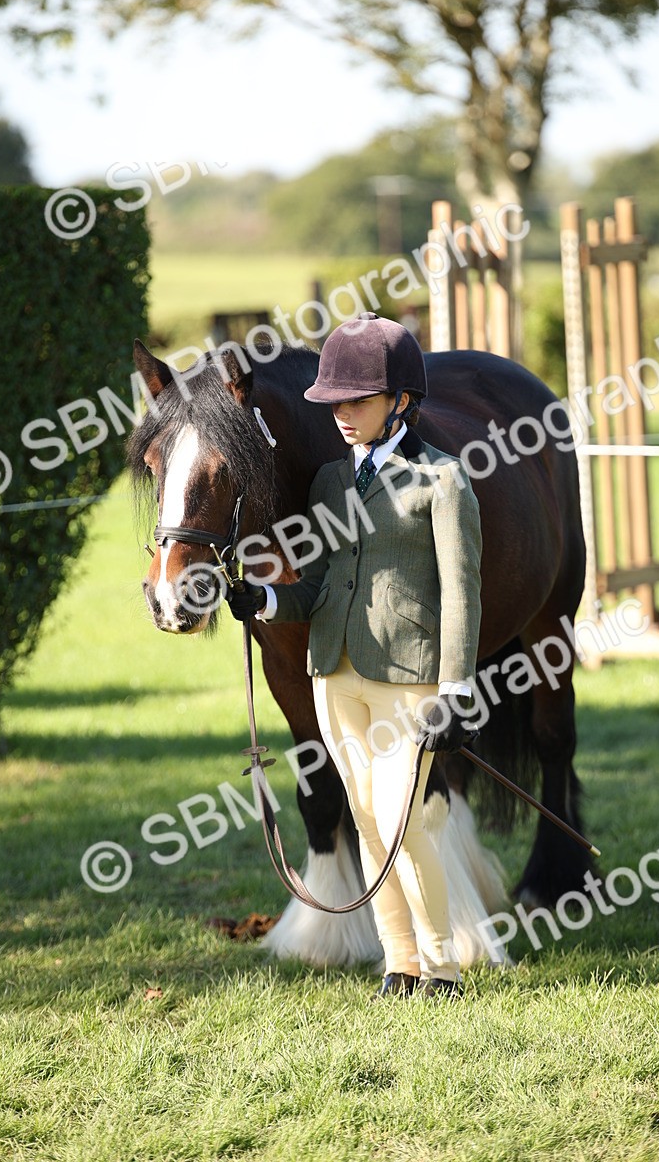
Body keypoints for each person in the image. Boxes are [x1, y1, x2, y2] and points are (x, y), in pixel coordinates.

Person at [226, 312, 482, 1000]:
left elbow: (462, 594)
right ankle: (398, 963)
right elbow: (314, 587)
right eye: (334, 402)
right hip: (334, 675)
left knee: (408, 821)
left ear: (401, 400)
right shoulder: (330, 484)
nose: (342, 415)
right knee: (367, 817)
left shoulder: (442, 481)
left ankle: (443, 966)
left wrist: (456, 690)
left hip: (411, 676)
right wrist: (267, 602)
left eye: (357, 401)